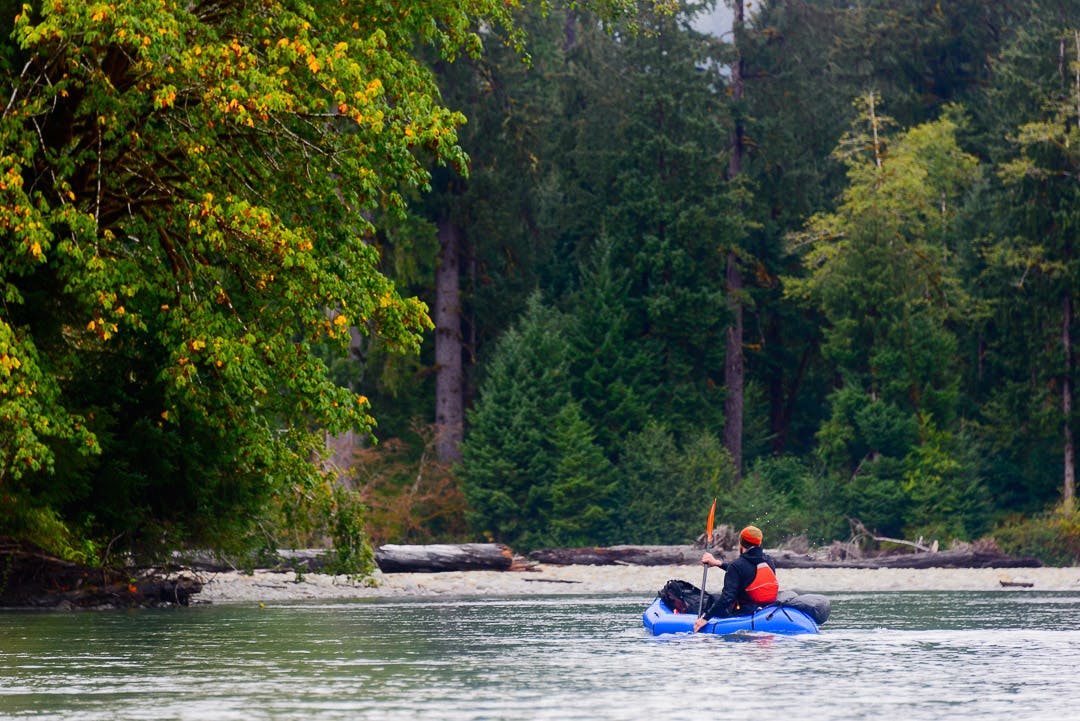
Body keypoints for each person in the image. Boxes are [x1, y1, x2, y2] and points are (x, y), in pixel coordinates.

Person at [692, 525, 779, 632]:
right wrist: (718, 563)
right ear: (759, 543)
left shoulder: (737, 566)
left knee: (711, 600)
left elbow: (726, 598)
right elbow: (746, 572)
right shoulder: (768, 561)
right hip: (766, 609)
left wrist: (705, 619)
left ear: (740, 543)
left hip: (743, 613)